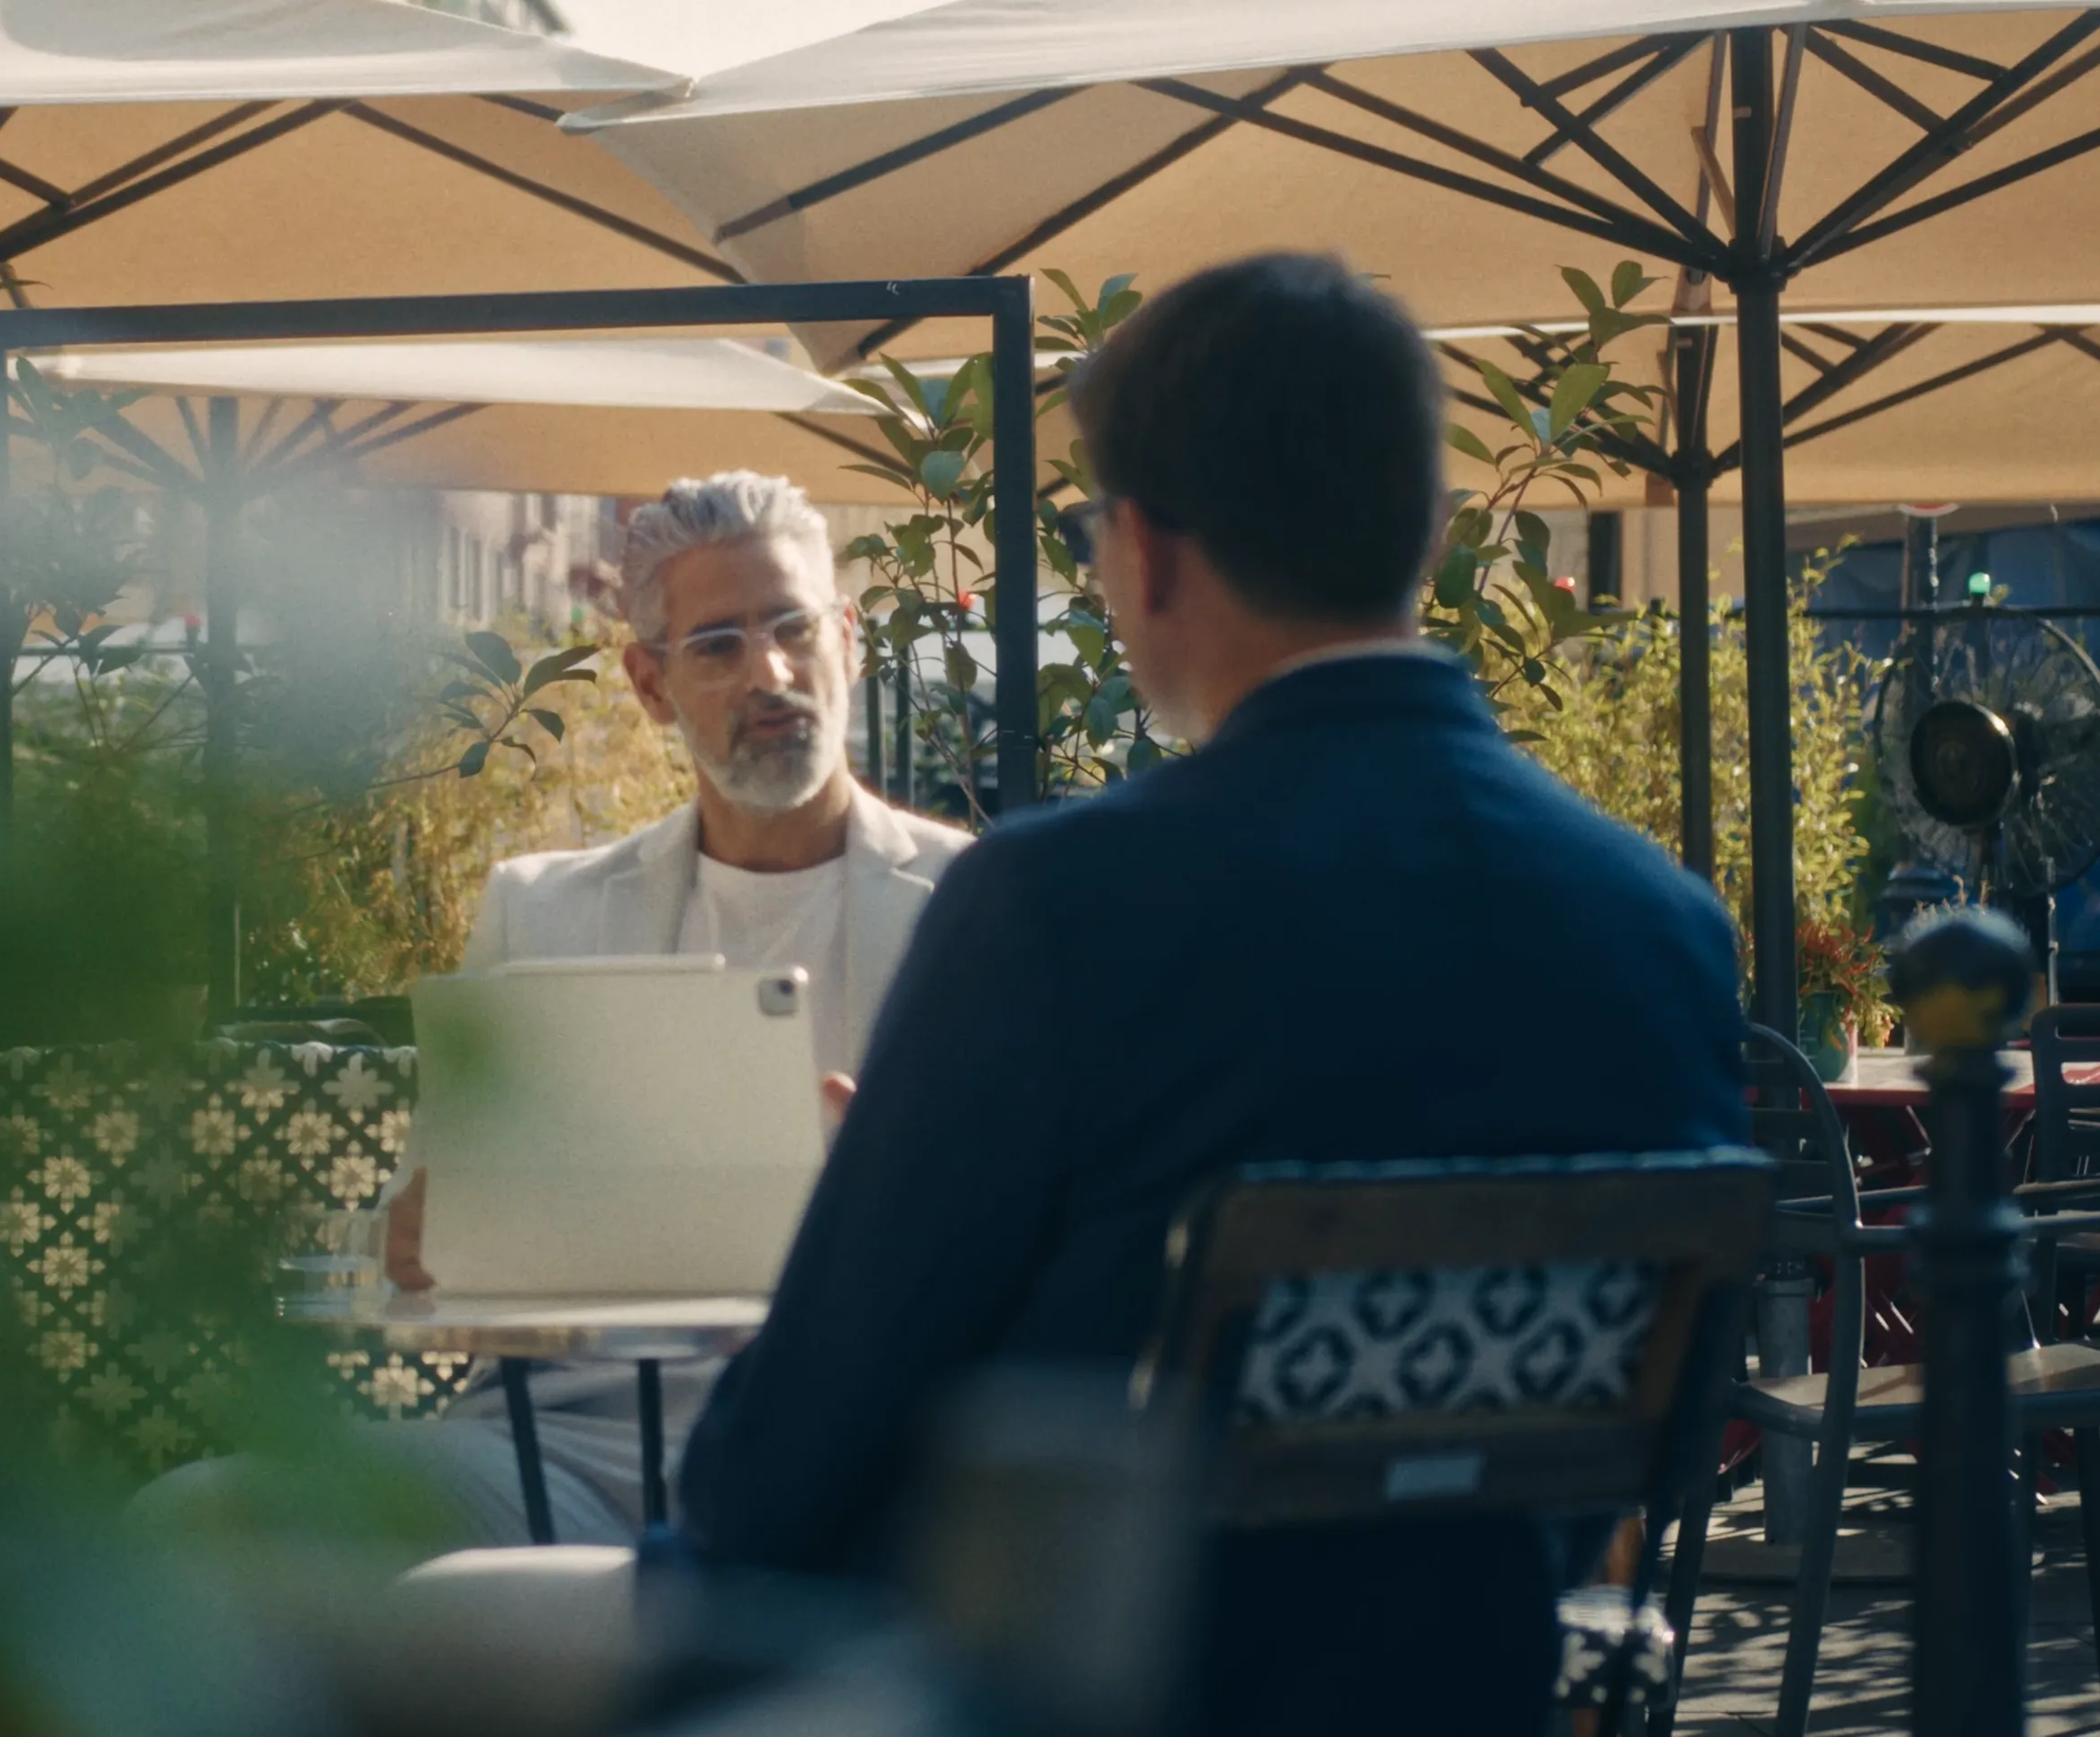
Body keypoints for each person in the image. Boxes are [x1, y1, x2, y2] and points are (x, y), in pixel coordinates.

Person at [674, 255, 1749, 1733]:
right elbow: (1657, 1429)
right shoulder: (1666, 928)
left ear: (1147, 554)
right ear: (1430, 535)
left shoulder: (1060, 910)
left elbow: (782, 1479)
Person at [140, 472, 967, 1549]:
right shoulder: (541, 912)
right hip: (552, 1450)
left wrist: (905, 1200)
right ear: (650, 684)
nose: (770, 672)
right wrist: (412, 1238)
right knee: (190, 1521)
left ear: (846, 642)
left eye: (792, 627)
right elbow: (419, 1244)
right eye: (716, 644)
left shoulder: (975, 903)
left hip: (844, 1452)